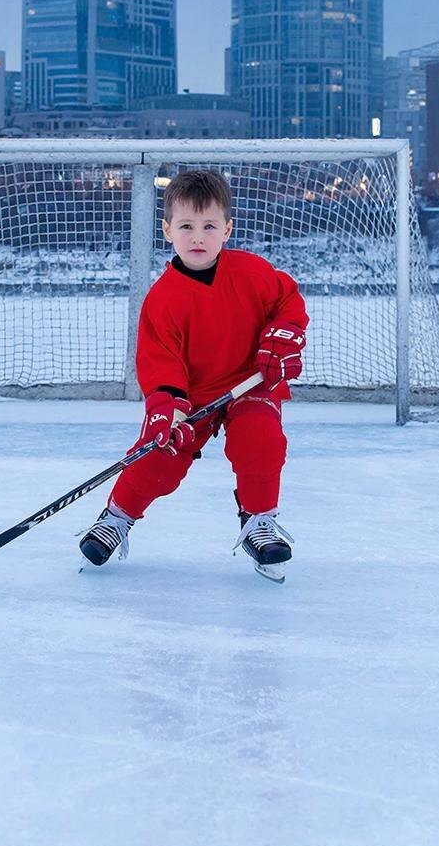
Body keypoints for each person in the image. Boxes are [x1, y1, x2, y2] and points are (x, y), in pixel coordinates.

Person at [79, 168, 309, 579]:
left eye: (209, 226)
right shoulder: (163, 299)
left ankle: (259, 521)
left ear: (227, 229)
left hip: (248, 384)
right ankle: (116, 517)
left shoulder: (253, 272)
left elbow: (287, 302)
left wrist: (284, 336)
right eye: (186, 226)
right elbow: (160, 359)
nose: (197, 237)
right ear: (167, 230)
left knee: (261, 438)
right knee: (160, 454)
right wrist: (167, 406)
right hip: (193, 396)